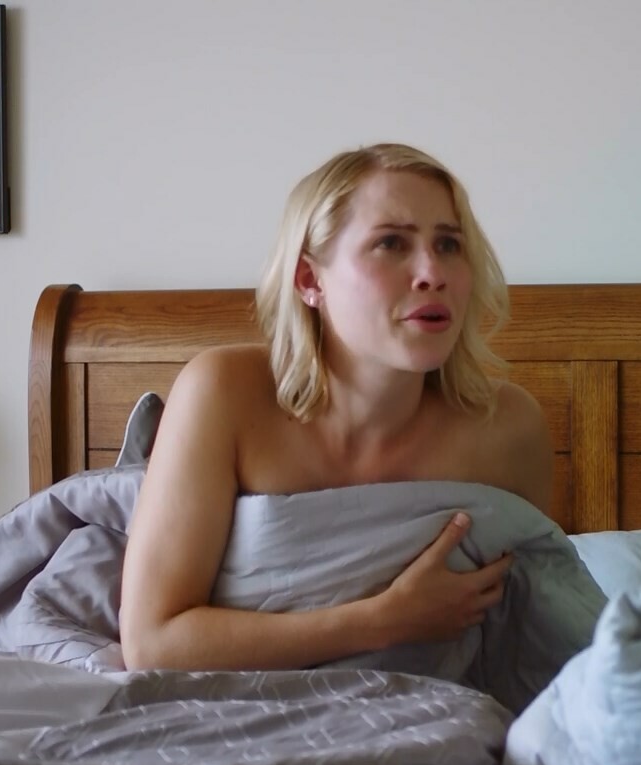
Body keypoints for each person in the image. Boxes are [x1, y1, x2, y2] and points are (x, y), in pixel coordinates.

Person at [118, 144, 555, 672]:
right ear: (310, 280)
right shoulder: (224, 393)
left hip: (434, 713)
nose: (432, 273)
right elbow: (151, 645)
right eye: (391, 243)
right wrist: (383, 621)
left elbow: (541, 635)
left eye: (448, 244)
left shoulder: (508, 430)